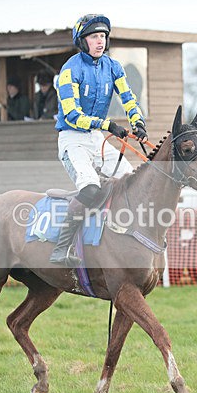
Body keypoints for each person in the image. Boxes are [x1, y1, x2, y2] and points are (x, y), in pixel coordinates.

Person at [50, 14, 148, 266]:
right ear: (82, 41)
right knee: (91, 188)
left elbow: (128, 99)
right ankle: (61, 248)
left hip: (96, 138)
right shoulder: (69, 70)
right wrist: (108, 125)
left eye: (103, 36)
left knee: (131, 182)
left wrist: (137, 121)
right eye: (94, 37)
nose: (100, 41)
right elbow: (72, 116)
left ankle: (128, 239)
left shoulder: (114, 67)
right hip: (72, 139)